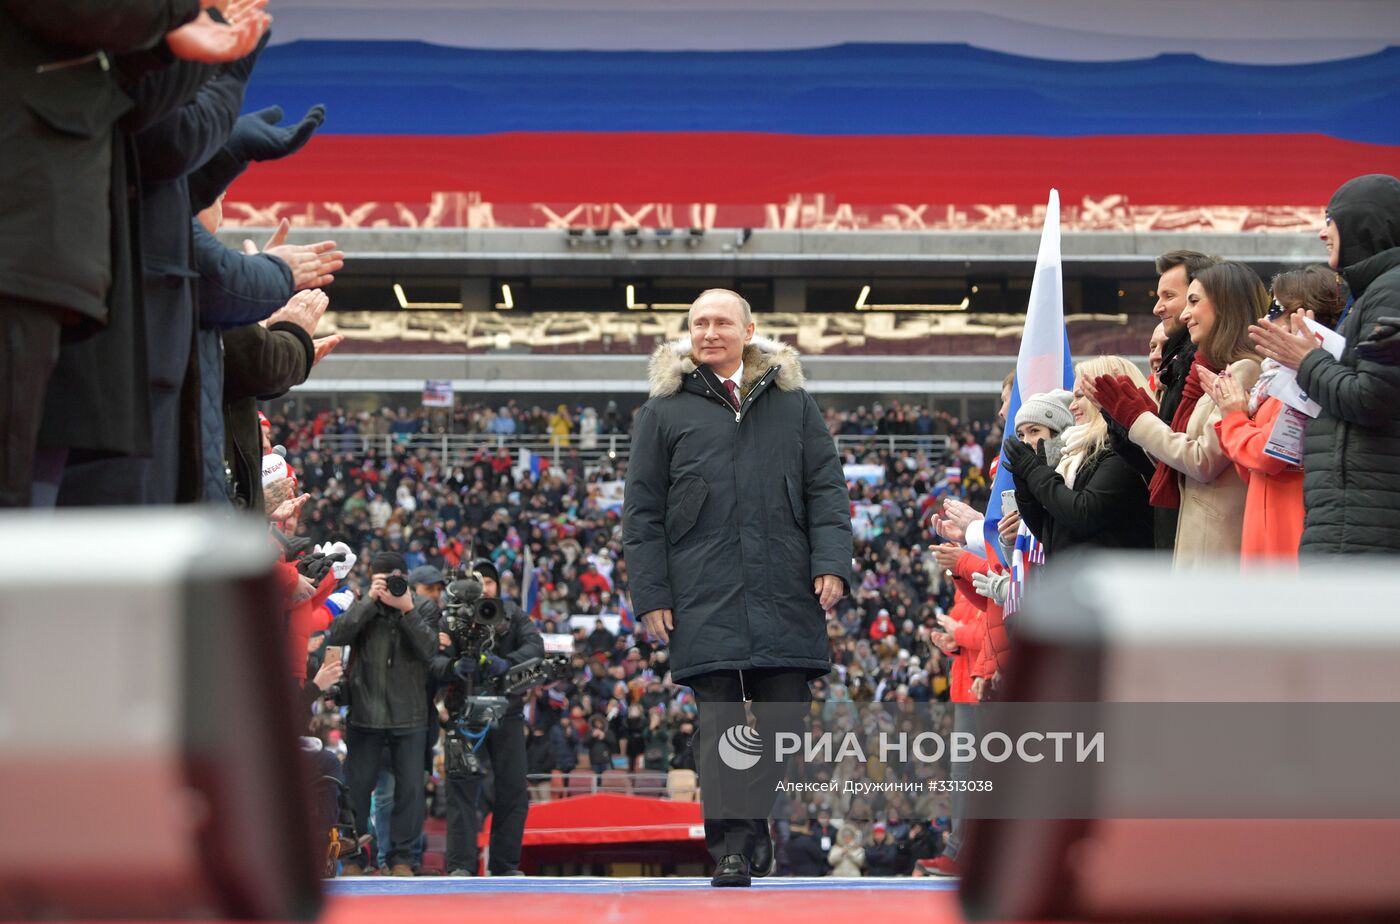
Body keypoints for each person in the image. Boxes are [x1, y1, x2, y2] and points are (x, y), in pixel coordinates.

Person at [623, 288, 852, 887]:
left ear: (750, 330)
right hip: (703, 592)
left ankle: (752, 827)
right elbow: (642, 514)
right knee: (721, 726)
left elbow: (826, 489)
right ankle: (730, 847)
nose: (709, 332)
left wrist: (832, 561)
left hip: (784, 587)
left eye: (722, 322)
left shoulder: (795, 404)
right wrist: (651, 596)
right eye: (699, 322)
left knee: (783, 724)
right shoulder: (661, 412)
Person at [1250, 174, 1400, 556]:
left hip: (1361, 526)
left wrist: (1306, 360)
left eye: (1330, 219)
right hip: (1353, 519)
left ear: (1362, 224)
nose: (1322, 233)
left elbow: (1371, 397)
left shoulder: (1391, 290)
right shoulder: (1376, 292)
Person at [1091, 262, 1265, 566]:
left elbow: (1202, 460)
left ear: (1225, 304)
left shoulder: (1245, 370)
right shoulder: (1222, 372)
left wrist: (1138, 419)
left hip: (1217, 556)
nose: (1185, 314)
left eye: (1194, 301)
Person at [1211, 267, 1347, 565]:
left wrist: (1233, 416)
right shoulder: (1275, 379)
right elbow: (1250, 468)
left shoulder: (1309, 378)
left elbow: (1267, 456)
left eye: (1274, 310)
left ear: (1303, 317)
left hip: (1289, 534)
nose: (1265, 320)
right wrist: (1235, 413)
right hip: (1266, 528)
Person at [326, 551, 438, 876]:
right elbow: (339, 634)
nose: (391, 585)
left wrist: (407, 611)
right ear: (373, 578)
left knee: (410, 792)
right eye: (383, 579)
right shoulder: (364, 606)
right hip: (365, 713)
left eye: (396, 578)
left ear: (406, 576)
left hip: (410, 715)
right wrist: (367, 602)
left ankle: (402, 858)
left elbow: (430, 650)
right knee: (357, 789)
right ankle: (355, 858)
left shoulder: (424, 607)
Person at [440, 558, 543, 877]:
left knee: (513, 789)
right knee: (460, 789)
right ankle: (460, 864)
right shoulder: (451, 618)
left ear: (497, 586)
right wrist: (453, 667)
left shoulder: (514, 614)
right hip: (462, 713)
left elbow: (536, 649)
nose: (483, 586)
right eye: (476, 581)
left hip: (507, 712)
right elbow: (435, 658)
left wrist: (506, 663)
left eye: (488, 581)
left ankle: (505, 864)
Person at [1115, 251, 1221, 550]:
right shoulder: (1179, 366)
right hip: (1175, 529)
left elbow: (1196, 460)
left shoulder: (1214, 366)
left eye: (1169, 296)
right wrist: (1121, 425)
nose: (1157, 307)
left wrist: (1135, 420)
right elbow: (1160, 467)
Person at [1003, 363, 1155, 556]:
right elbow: (1052, 533)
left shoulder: (1125, 451)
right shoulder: (1076, 452)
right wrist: (1026, 491)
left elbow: (1084, 514)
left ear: (1109, 392)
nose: (1072, 406)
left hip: (1115, 581)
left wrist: (1035, 472)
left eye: (1079, 396)